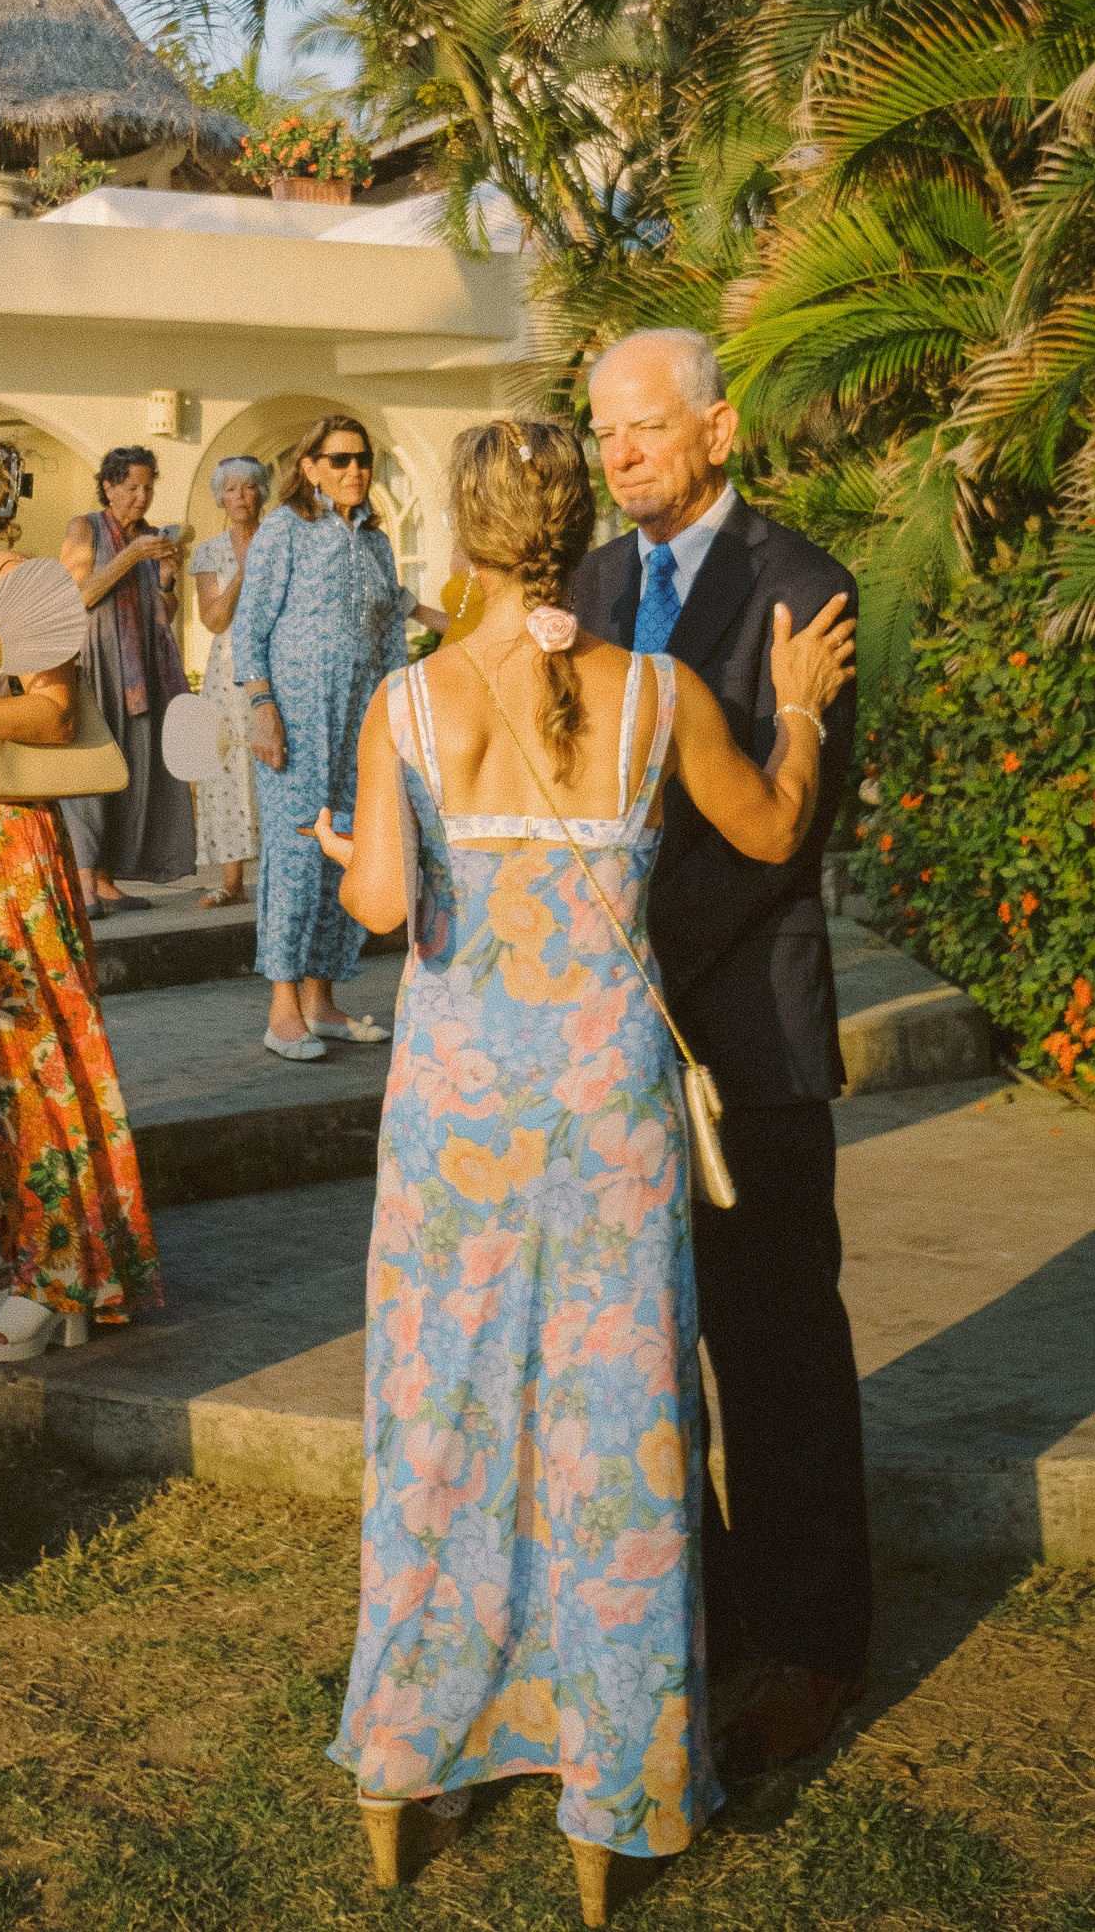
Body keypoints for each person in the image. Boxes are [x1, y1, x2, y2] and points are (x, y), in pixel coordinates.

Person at [319, 418, 855, 1917]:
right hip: (607, 1110)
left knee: (446, 1421)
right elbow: (770, 829)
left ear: (465, 537)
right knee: (617, 1433)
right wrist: (799, 711)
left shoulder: (408, 703)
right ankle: (606, 1793)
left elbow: (376, 901)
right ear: (567, 532)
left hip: (457, 1115)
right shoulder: (657, 692)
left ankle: (408, 1761)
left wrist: (347, 839)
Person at [571, 327, 869, 1779]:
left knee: (778, 1345)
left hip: (744, 1029)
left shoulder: (803, 590)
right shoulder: (596, 586)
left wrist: (611, 942)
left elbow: (779, 838)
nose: (616, 454)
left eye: (640, 429)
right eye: (600, 433)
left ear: (717, 429)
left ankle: (809, 1647)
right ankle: (690, 1614)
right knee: (647, 1347)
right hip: (614, 1045)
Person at [0, 425, 163, 1361]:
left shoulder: (28, 584)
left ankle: (59, 1271)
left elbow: (53, 715)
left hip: (5, 834)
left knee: (32, 1049)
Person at [234, 416, 431, 1061]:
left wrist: (398, 714)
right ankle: (283, 1007)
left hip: (360, 716)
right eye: (340, 461)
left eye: (363, 461)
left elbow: (387, 632)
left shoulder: (374, 542)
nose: (354, 472)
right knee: (295, 850)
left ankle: (321, 1000)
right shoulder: (284, 529)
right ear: (311, 467)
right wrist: (261, 704)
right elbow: (252, 624)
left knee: (346, 842)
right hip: (296, 714)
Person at [60, 444, 197, 916]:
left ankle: (108, 879)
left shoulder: (153, 537)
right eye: (132, 487)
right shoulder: (86, 528)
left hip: (142, 671)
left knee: (132, 774)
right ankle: (84, 882)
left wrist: (165, 579)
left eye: (148, 487)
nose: (142, 497)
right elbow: (78, 595)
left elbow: (166, 617)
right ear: (108, 486)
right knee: (92, 771)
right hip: (96, 663)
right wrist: (130, 556)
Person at [190, 455, 269, 909]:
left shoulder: (282, 541)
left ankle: (281, 873)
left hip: (277, 662)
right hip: (228, 671)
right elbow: (215, 619)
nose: (242, 497)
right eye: (232, 489)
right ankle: (232, 880)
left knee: (272, 762)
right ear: (220, 497)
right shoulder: (209, 553)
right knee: (227, 767)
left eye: (250, 487)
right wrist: (244, 570)